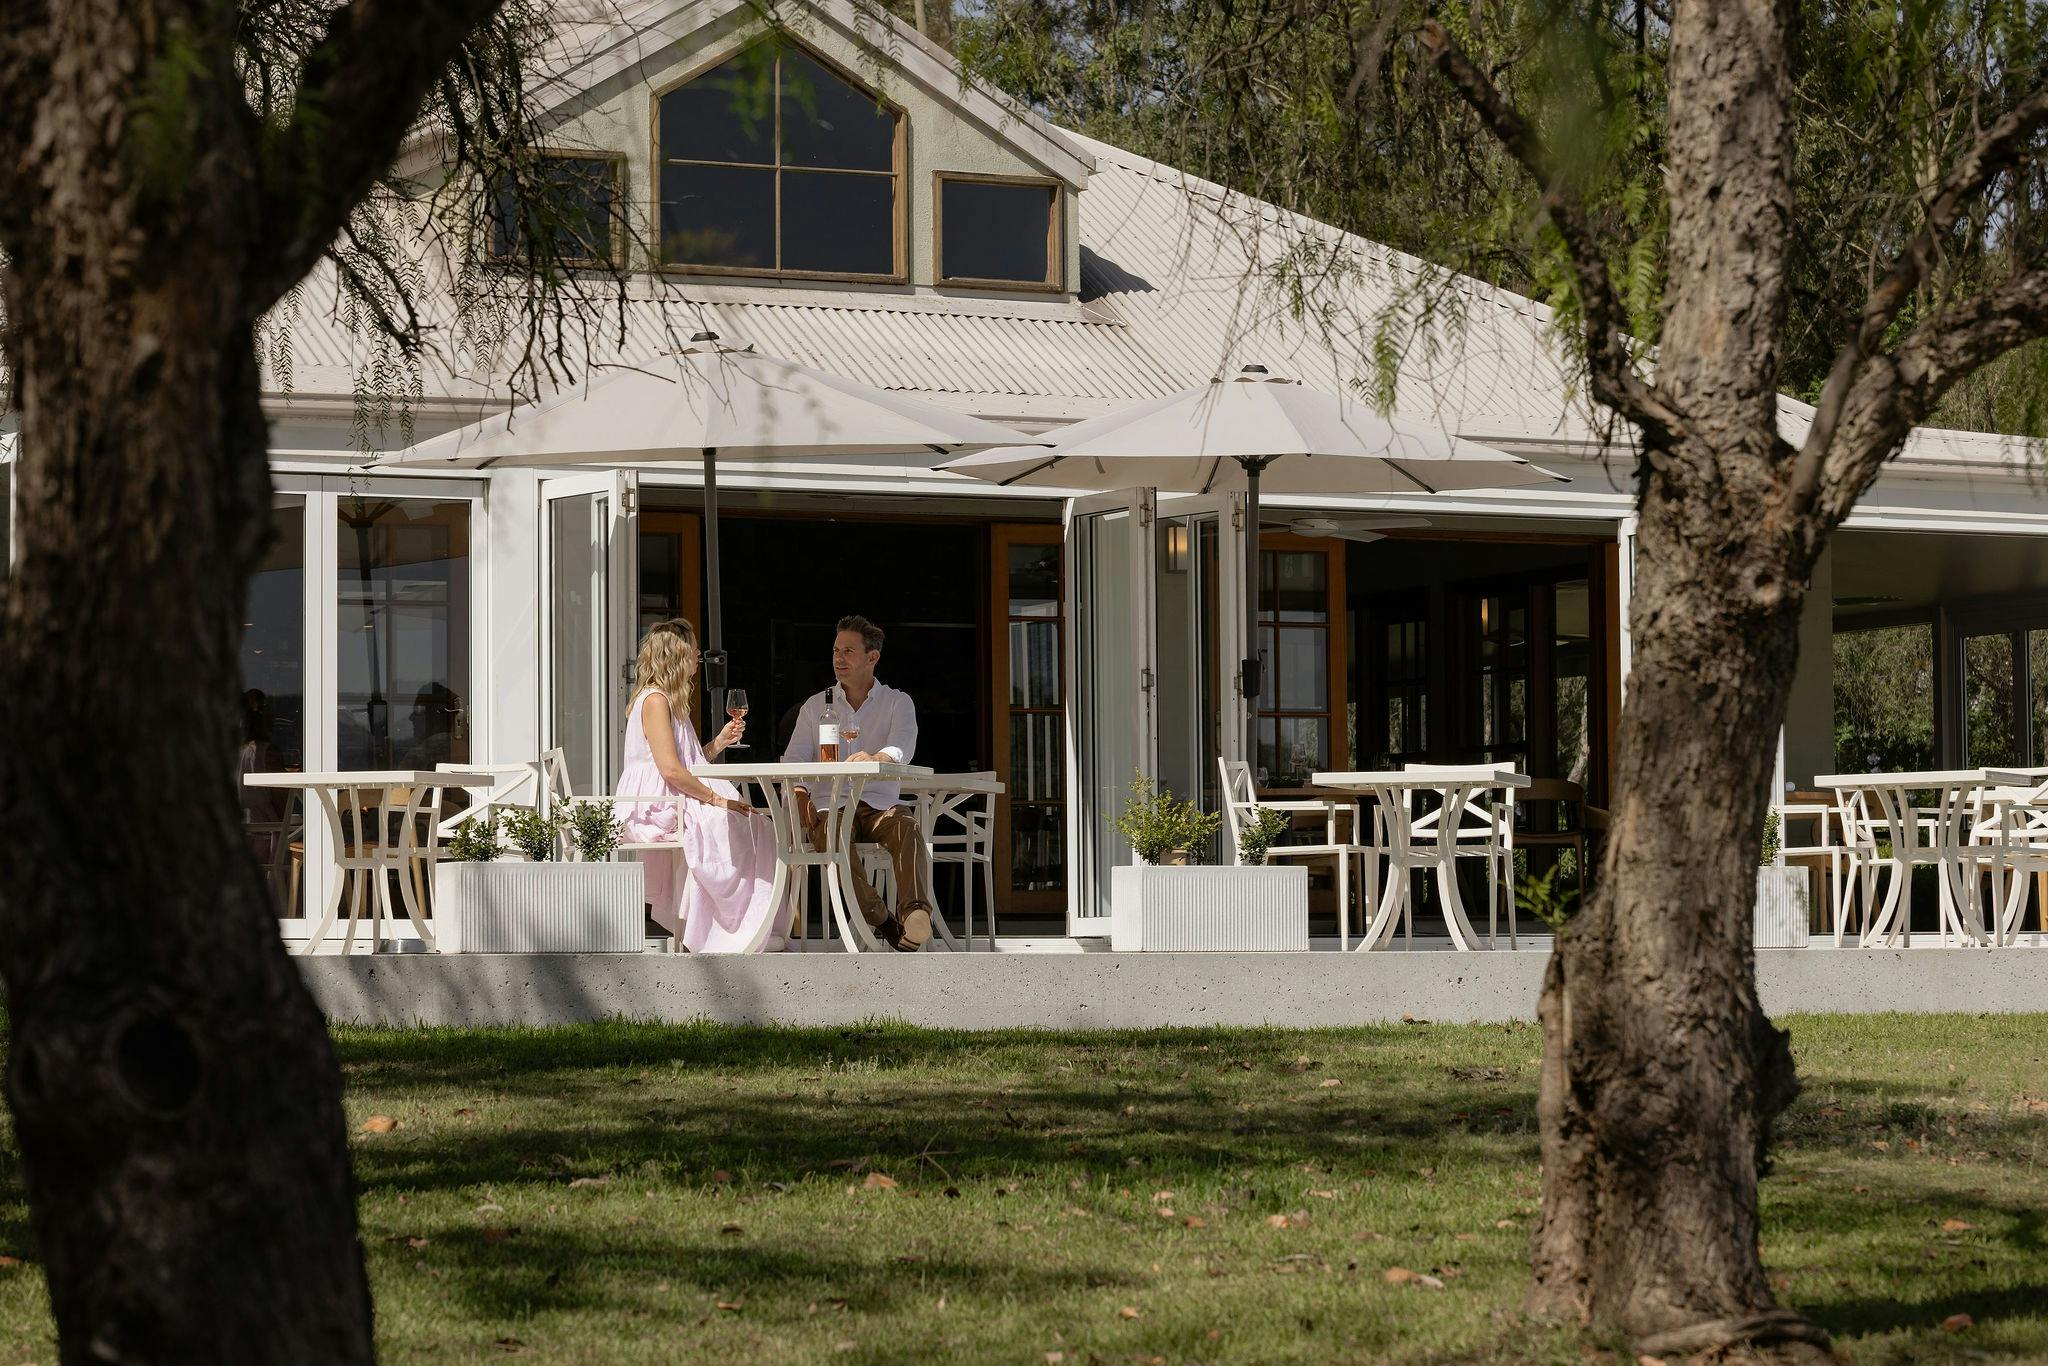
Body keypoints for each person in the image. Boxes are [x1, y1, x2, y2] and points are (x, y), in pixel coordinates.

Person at [615, 618, 786, 953]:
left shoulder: (669, 701)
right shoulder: (655, 701)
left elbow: (688, 762)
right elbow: (670, 771)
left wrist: (719, 742)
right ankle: (727, 929)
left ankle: (741, 925)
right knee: (735, 823)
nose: (698, 658)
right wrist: (716, 800)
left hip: (673, 797)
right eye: (694, 652)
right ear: (677, 657)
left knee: (756, 825)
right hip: (659, 804)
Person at [781, 615, 931, 951]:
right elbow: (793, 760)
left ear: (872, 657)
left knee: (906, 825)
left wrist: (879, 758)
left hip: (879, 803)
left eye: (848, 650)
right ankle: (883, 919)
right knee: (832, 836)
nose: (838, 658)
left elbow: (902, 746)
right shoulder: (816, 705)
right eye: (836, 650)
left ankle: (916, 913)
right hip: (830, 805)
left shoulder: (897, 702)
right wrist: (801, 792)